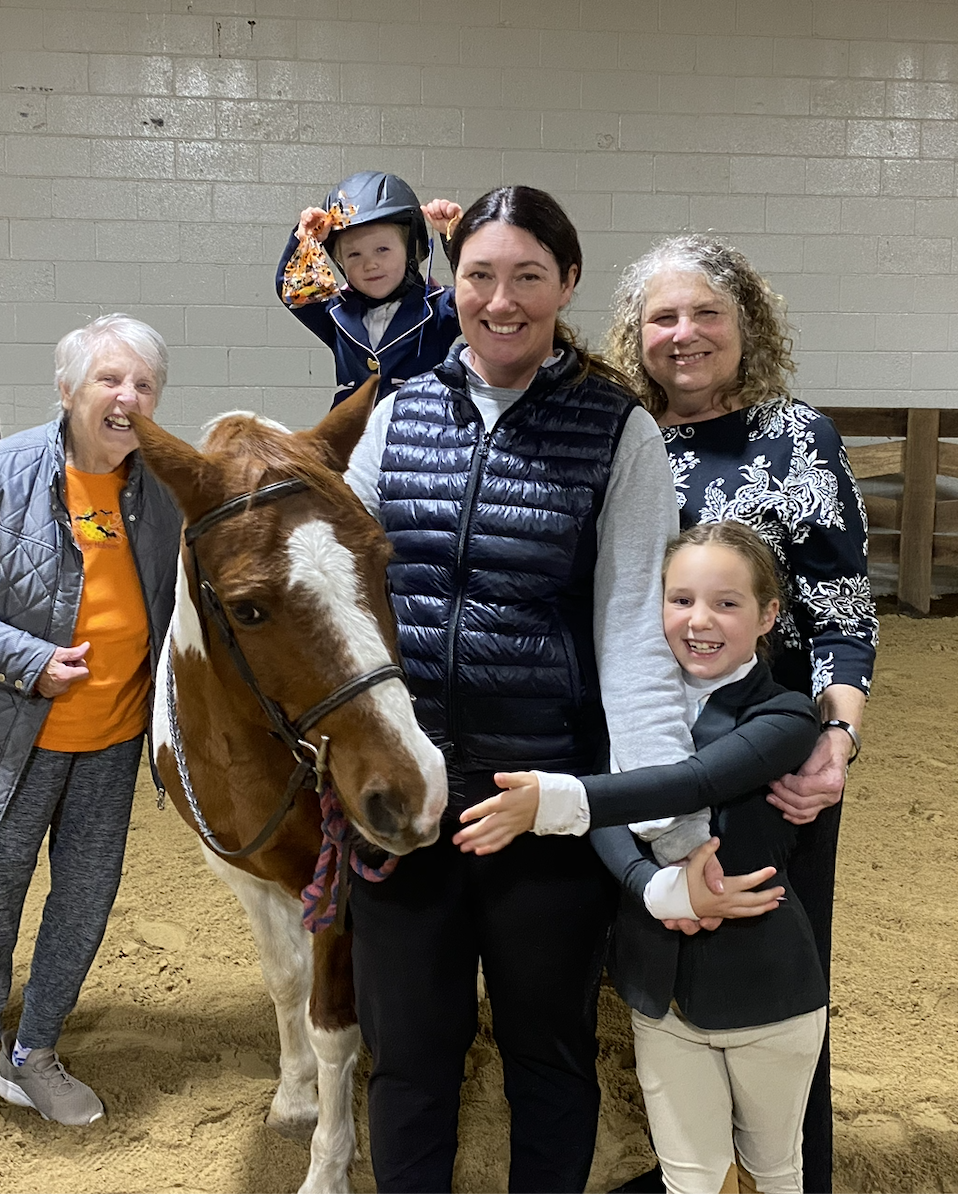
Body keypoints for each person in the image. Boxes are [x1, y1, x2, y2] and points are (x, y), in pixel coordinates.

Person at [342, 185, 696, 1193]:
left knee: (547, 1054)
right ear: (448, 283)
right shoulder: (395, 415)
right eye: (479, 276)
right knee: (407, 1058)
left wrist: (668, 822)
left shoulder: (616, 433)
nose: (500, 301)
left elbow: (633, 628)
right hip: (405, 800)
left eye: (527, 277)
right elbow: (342, 600)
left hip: (545, 800)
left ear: (566, 284)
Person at [605, 234, 876, 1194]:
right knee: (656, 949)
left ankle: (794, 1167)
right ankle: (681, 1162)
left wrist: (835, 741)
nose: (685, 335)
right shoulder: (617, 434)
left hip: (775, 753)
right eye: (663, 318)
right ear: (637, 337)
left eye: (706, 312)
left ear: (746, 322)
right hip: (646, 741)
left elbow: (842, 611)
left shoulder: (799, 437)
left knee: (782, 961)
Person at [455, 521, 828, 1194]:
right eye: (680, 599)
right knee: (689, 1178)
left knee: (776, 1172)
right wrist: (655, 891)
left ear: (769, 614)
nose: (699, 621)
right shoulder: (625, 710)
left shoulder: (786, 717)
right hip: (659, 991)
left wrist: (558, 800)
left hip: (768, 991)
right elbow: (612, 824)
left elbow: (694, 782)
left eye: (727, 602)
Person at [0, 314, 181, 1194]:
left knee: (84, 904)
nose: (127, 399)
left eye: (142, 384)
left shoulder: (161, 489)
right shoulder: (0, 472)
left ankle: (36, 1052)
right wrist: (28, 662)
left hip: (111, 743)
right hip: (7, 742)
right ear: (68, 390)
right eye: (109, 381)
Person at [276, 169, 461, 405]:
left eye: (382, 249)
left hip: (420, 433)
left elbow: (479, 294)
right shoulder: (336, 312)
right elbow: (292, 292)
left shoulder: (438, 308)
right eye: (354, 254)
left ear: (411, 249)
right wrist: (305, 240)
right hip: (352, 437)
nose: (370, 264)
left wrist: (456, 240)